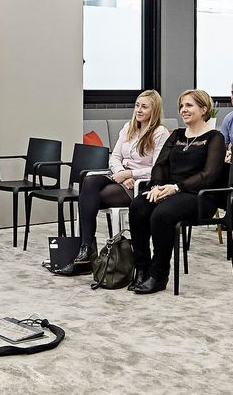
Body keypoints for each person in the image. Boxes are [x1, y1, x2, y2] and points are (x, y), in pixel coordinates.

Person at [129, 91, 226, 295]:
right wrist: (156, 186)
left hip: (199, 196)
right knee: (138, 205)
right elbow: (160, 165)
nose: (184, 110)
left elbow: (209, 175)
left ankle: (158, 274)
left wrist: (176, 188)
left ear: (204, 109)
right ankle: (142, 268)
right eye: (182, 106)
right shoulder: (177, 135)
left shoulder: (215, 137)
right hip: (169, 191)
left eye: (189, 106)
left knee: (161, 214)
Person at [68, 90, 169, 274]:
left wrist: (131, 174)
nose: (139, 110)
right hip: (120, 178)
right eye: (137, 105)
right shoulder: (128, 127)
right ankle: (87, 247)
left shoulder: (159, 133)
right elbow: (114, 157)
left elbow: (158, 168)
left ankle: (86, 252)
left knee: (90, 197)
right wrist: (122, 172)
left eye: (144, 107)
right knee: (89, 181)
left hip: (140, 185)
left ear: (154, 110)